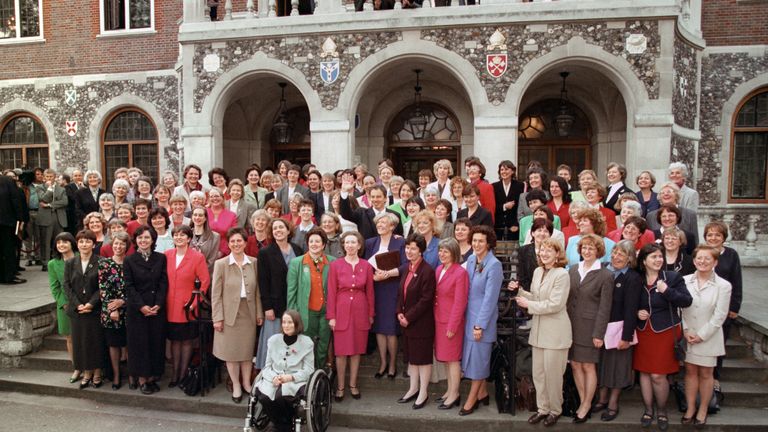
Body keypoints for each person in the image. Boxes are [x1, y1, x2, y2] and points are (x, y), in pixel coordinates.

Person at [511, 238, 570, 427]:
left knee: (553, 375)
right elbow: (536, 297)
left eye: (549, 251)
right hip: (538, 331)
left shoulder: (562, 274)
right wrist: (520, 292)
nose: (544, 254)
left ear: (557, 254)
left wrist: (529, 304)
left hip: (555, 333)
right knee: (539, 374)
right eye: (542, 251)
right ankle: (542, 409)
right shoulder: (538, 272)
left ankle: (555, 410)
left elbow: (555, 304)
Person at [634, 243, 692, 430]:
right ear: (644, 261)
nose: (658, 260)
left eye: (660, 256)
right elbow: (629, 302)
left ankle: (661, 410)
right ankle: (648, 409)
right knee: (644, 372)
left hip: (665, 331)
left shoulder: (672, 277)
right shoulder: (637, 279)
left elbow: (686, 300)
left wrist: (666, 291)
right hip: (643, 331)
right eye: (654, 257)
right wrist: (637, 312)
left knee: (658, 375)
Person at [680, 245, 732, 427]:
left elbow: (720, 315)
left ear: (715, 262)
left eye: (707, 259)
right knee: (690, 372)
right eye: (699, 258)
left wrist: (702, 335)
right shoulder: (684, 280)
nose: (702, 262)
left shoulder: (723, 286)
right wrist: (685, 330)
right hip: (688, 335)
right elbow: (679, 308)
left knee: (706, 373)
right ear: (694, 261)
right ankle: (690, 408)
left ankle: (703, 409)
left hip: (709, 336)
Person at [566, 234, 614, 423]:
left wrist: (599, 333)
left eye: (591, 249)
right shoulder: (573, 270)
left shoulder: (606, 275)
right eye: (584, 248)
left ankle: (586, 404)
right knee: (576, 364)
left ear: (598, 252)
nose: (587, 251)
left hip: (591, 327)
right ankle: (583, 399)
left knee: (588, 365)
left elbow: (605, 307)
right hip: (571, 325)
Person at [212, 227, 263, 403]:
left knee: (247, 352)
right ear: (228, 243)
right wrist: (217, 317)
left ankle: (247, 384)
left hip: (247, 313)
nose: (236, 244)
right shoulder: (221, 264)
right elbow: (215, 294)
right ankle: (236, 385)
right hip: (228, 314)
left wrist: (259, 312)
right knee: (231, 352)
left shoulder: (254, 262)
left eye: (239, 241)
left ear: (245, 242)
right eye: (232, 241)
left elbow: (257, 292)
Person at [593, 240, 642, 422]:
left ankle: (613, 403)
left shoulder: (632, 277)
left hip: (620, 329)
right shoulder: (604, 271)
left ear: (630, 258)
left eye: (621, 254)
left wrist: (626, 336)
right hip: (602, 328)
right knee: (604, 365)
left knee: (619, 368)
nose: (616, 257)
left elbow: (631, 309)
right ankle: (602, 398)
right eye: (614, 252)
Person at [326, 231, 375, 401]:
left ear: (359, 245)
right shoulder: (336, 265)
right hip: (341, 310)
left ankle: (353, 384)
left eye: (353, 242)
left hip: (360, 311)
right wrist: (331, 316)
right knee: (341, 352)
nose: (350, 245)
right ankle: (340, 386)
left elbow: (370, 292)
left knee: (356, 351)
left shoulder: (366, 265)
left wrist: (370, 314)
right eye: (347, 242)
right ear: (343, 245)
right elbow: (331, 292)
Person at [460, 225, 502, 416]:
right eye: (474, 240)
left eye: (481, 241)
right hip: (468, 318)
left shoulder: (494, 265)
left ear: (488, 243)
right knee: (472, 358)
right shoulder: (470, 259)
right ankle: (483, 393)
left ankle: (472, 400)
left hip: (481, 322)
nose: (476, 244)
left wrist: (480, 325)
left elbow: (490, 299)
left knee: (478, 361)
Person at [164, 224, 211, 388]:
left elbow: (204, 281)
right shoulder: (167, 255)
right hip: (170, 306)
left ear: (189, 238)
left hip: (188, 306)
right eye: (176, 235)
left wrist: (194, 303)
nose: (179, 238)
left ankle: (183, 374)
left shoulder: (197, 257)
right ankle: (175, 374)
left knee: (186, 342)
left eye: (183, 235)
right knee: (175, 341)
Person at [124, 225, 168, 395]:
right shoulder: (129, 260)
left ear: (153, 240)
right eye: (140, 238)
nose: (143, 241)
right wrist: (141, 306)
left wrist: (159, 303)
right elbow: (129, 286)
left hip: (156, 308)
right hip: (138, 310)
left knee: (155, 342)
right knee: (140, 344)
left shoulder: (161, 258)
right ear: (135, 240)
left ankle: (152, 377)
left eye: (147, 238)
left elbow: (163, 283)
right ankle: (142, 379)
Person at [253, 310, 315, 432]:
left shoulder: (306, 342)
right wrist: (273, 378)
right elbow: (267, 366)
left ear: (297, 324)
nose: (286, 325)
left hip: (295, 380)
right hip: (273, 377)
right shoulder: (273, 340)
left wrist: (290, 378)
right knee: (265, 397)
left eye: (290, 322)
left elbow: (309, 369)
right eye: (284, 322)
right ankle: (279, 424)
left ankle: (284, 426)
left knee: (282, 397)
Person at [363, 212, 406, 380]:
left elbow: (405, 265)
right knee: (379, 329)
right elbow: (365, 266)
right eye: (378, 222)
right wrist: (373, 277)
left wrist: (387, 274)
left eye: (384, 222)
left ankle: (393, 363)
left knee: (391, 330)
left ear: (392, 226)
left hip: (392, 289)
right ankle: (382, 363)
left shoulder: (400, 242)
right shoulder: (370, 242)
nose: (380, 225)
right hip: (376, 289)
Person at [255, 218, 303, 369]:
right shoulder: (265, 252)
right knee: (274, 341)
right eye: (275, 228)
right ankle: (268, 374)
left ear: (288, 230)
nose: (278, 230)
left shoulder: (298, 249)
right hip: (275, 307)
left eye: (281, 227)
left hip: (294, 304)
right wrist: (267, 307)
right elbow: (263, 281)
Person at [395, 233, 436, 409]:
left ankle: (423, 392)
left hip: (421, 324)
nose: (409, 251)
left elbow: (426, 300)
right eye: (407, 247)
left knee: (423, 359)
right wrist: (399, 313)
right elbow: (401, 294)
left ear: (421, 251)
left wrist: (409, 317)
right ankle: (413, 389)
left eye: (413, 248)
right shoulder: (407, 268)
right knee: (412, 359)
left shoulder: (427, 271)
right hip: (407, 323)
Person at [287, 227, 336, 370]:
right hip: (306, 311)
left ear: (323, 245)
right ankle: (306, 373)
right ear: (307, 244)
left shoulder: (332, 262)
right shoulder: (297, 263)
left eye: (318, 241)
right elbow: (291, 291)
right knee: (305, 344)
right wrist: (293, 315)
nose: (314, 244)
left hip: (326, 312)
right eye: (311, 241)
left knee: (323, 345)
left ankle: (319, 373)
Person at [703, 221, 742, 391]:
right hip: (703, 306)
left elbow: (736, 281)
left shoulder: (731, 255)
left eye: (717, 235)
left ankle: (715, 377)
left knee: (719, 343)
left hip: (723, 306)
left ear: (723, 237)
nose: (713, 238)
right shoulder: (701, 252)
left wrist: (735, 307)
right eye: (710, 234)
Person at [63, 230, 105, 389]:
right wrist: (78, 304)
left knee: (95, 341)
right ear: (77, 244)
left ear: (94, 244)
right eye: (81, 241)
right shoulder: (70, 263)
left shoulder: (101, 261)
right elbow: (66, 286)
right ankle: (86, 373)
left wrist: (91, 304)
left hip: (94, 310)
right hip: (77, 310)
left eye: (88, 241)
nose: (84, 244)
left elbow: (103, 286)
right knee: (80, 342)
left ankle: (97, 372)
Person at [433, 238, 468, 410]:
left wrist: (452, 326)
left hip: (451, 323)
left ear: (454, 253)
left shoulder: (460, 272)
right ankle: (449, 390)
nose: (441, 254)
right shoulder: (439, 269)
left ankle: (455, 394)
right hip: (439, 320)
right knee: (446, 359)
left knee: (453, 360)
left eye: (445, 251)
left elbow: (460, 302)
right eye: (440, 251)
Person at [98, 231, 129, 390]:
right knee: (114, 344)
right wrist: (113, 309)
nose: (118, 246)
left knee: (130, 343)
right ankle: (116, 375)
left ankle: (132, 375)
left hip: (129, 310)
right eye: (116, 243)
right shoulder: (104, 264)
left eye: (122, 244)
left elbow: (134, 288)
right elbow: (103, 289)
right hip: (111, 311)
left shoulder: (131, 263)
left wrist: (123, 302)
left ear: (126, 246)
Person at [48, 232, 78, 382]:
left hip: (84, 304)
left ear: (72, 243)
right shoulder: (53, 263)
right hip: (65, 305)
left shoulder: (81, 256)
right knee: (70, 338)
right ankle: (76, 368)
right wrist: (64, 303)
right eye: (58, 243)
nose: (61, 245)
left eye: (65, 242)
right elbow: (55, 287)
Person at [36, 168, 69, 270]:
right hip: (46, 218)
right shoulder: (40, 188)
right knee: (45, 240)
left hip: (59, 217)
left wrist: (50, 205)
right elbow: (43, 198)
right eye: (47, 177)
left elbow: (64, 202)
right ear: (44, 178)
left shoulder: (61, 189)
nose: (49, 178)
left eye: (51, 176)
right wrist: (49, 190)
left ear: (55, 177)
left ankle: (59, 259)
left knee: (59, 239)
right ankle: (45, 262)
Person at [517, 218, 553, 292]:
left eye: (546, 231)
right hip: (528, 292)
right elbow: (522, 277)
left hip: (549, 292)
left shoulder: (555, 251)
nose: (542, 234)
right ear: (533, 233)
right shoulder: (523, 251)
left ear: (550, 234)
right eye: (539, 230)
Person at [493, 160, 524, 241]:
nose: (504, 172)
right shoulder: (494, 186)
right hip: (498, 226)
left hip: (513, 226)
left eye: (506, 169)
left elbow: (520, 207)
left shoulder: (520, 186)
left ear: (512, 171)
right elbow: (493, 206)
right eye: (502, 170)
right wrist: (504, 206)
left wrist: (516, 224)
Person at [190, 205, 221, 277]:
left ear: (205, 218)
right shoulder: (186, 234)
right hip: (188, 275)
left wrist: (199, 272)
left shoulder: (215, 237)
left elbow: (212, 260)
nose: (197, 218)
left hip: (206, 275)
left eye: (200, 215)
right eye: (195, 215)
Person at [207, 188, 237, 256]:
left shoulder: (231, 215)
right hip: (204, 252)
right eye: (212, 196)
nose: (215, 198)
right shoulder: (203, 212)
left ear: (222, 198)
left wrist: (223, 252)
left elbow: (233, 235)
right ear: (209, 199)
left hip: (224, 253)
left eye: (217, 196)